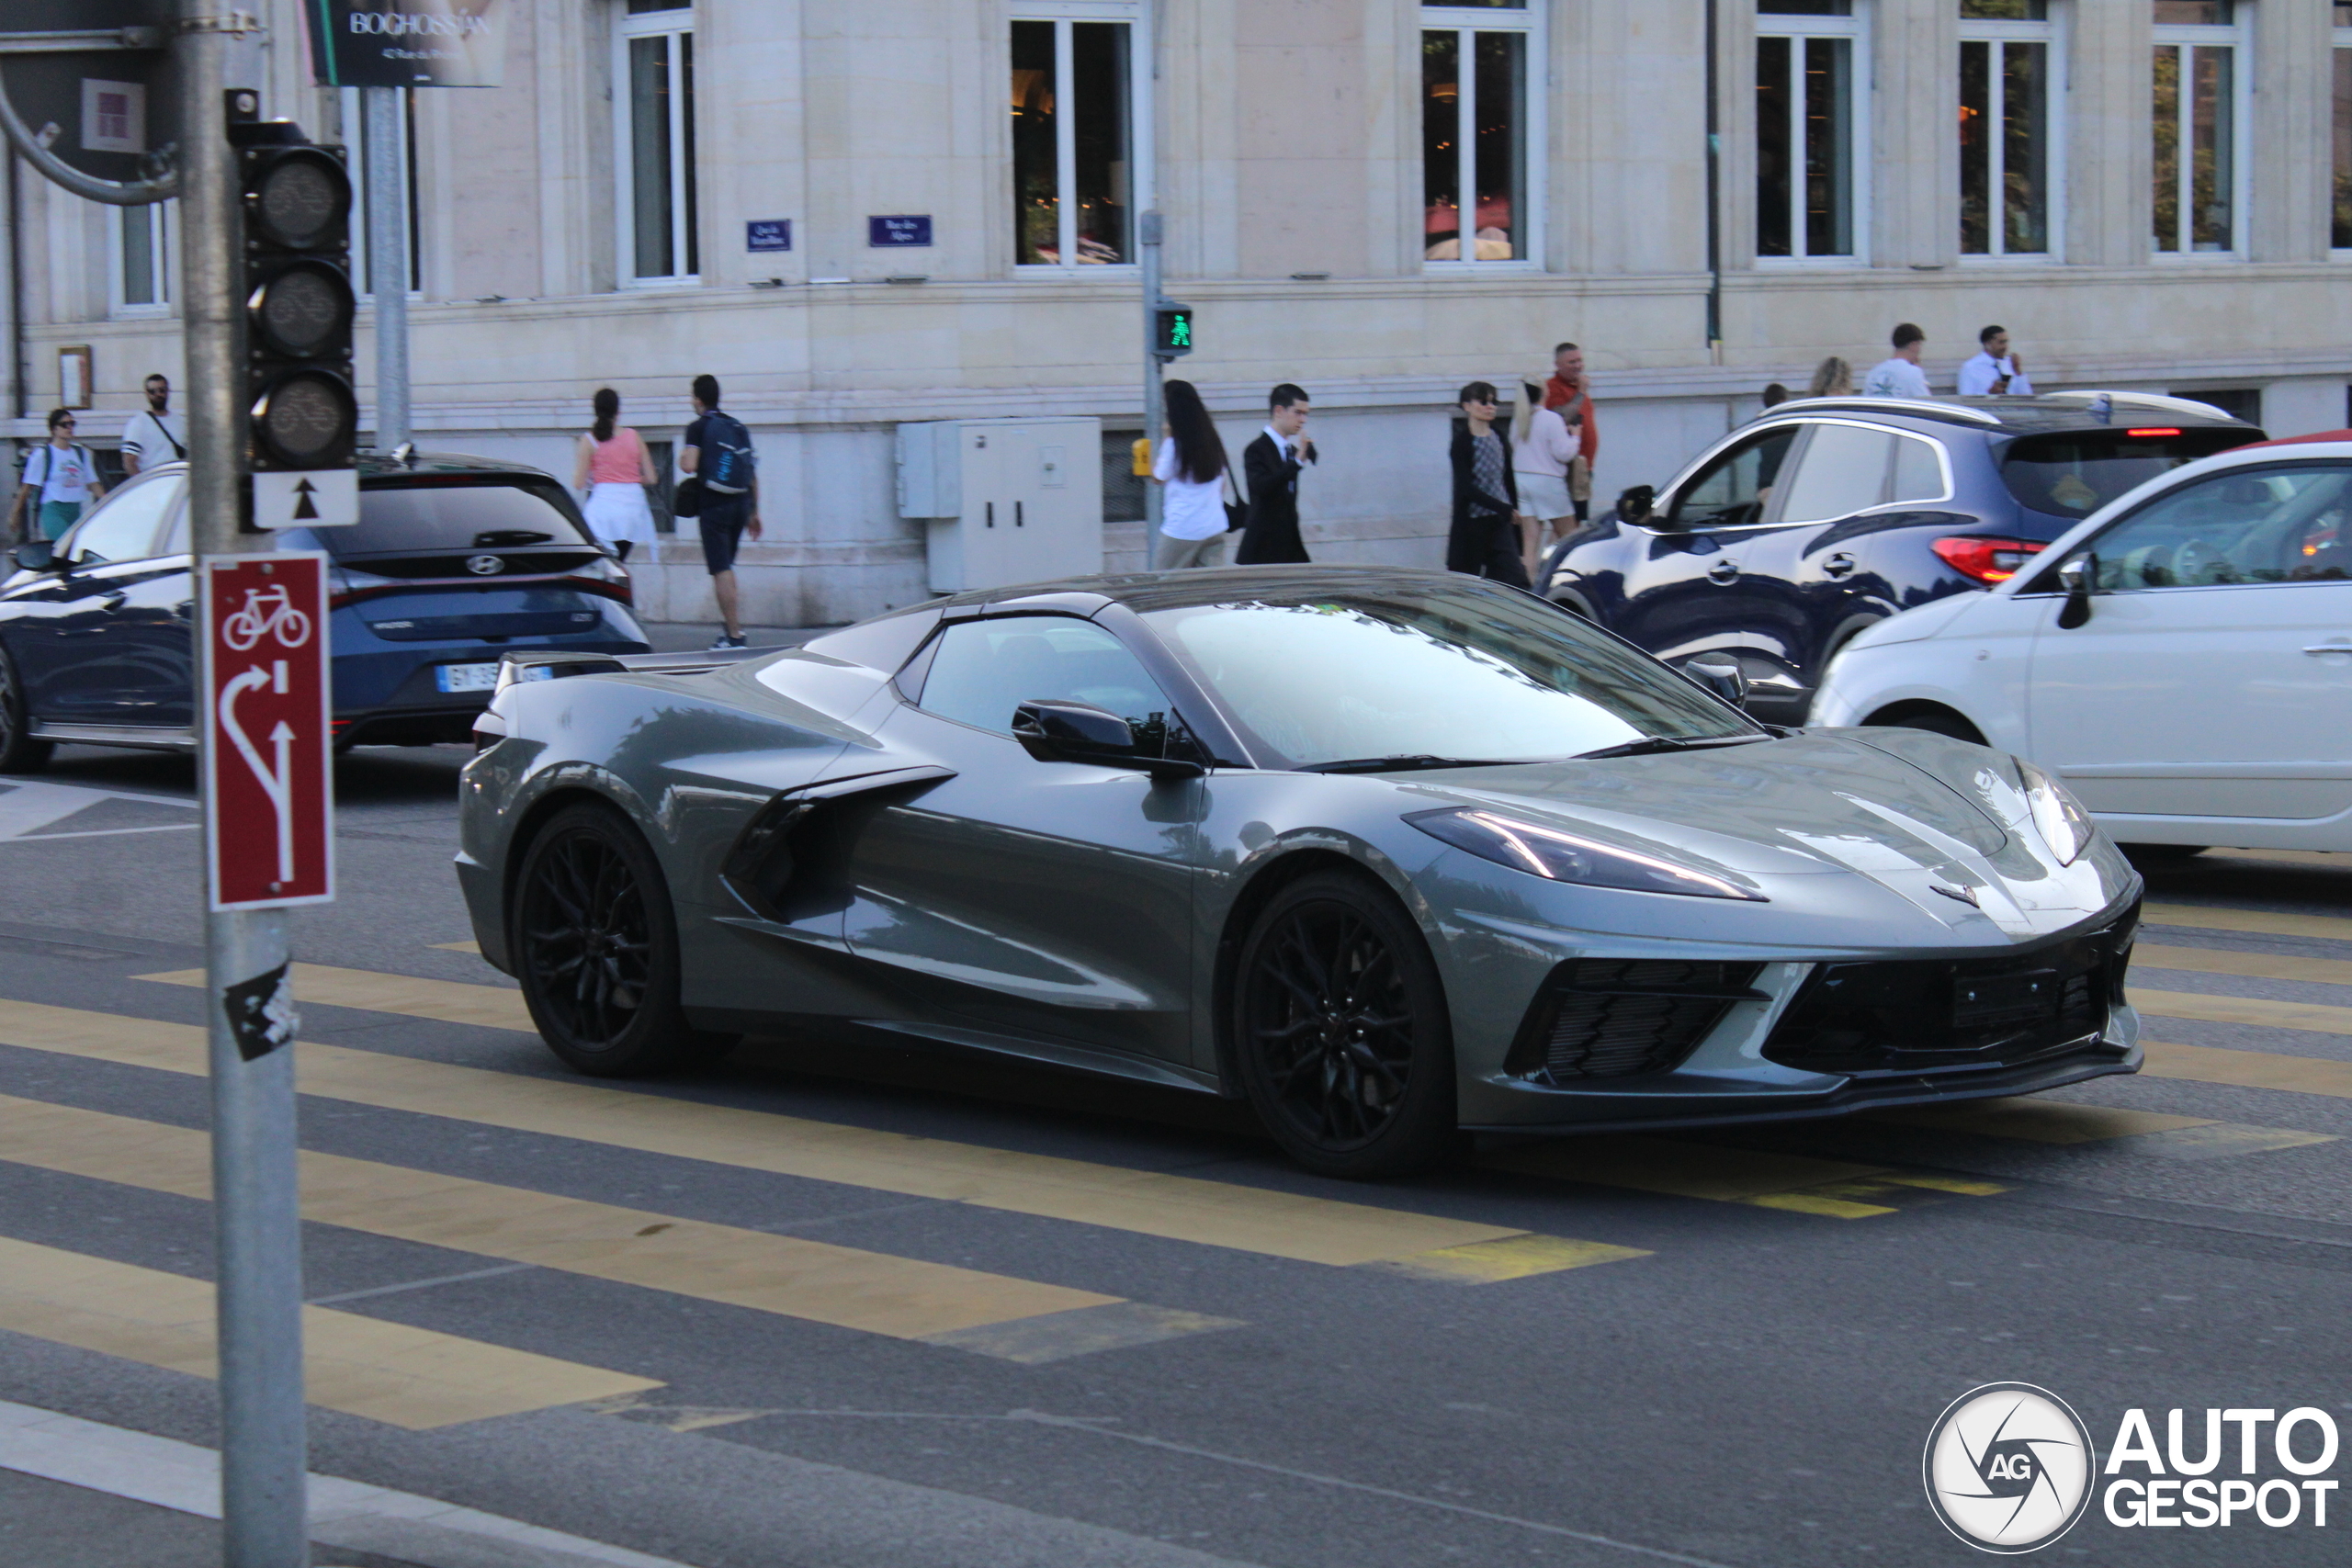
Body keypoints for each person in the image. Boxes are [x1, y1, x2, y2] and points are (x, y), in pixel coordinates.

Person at [681, 374, 762, 649]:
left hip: (714, 505)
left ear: (698, 399)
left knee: (721, 570)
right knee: (727, 568)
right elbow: (751, 472)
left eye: (692, 397)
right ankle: (729, 631)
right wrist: (754, 512)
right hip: (740, 504)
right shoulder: (736, 426)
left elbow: (689, 465)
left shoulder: (697, 427)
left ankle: (735, 636)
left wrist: (683, 457)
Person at [1148, 379, 1234, 570]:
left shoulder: (1174, 444)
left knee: (1164, 586)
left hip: (1182, 528)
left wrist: (1165, 437)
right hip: (1214, 525)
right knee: (1207, 590)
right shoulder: (1212, 439)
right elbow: (1222, 484)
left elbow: (1158, 477)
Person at [1448, 381, 1526, 587]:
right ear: (1467, 406)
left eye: (1493, 402)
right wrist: (1503, 507)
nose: (1490, 407)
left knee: (1514, 578)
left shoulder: (1499, 437)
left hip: (1500, 522)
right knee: (1468, 583)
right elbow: (1466, 488)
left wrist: (1513, 512)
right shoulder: (1462, 442)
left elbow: (1508, 479)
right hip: (1473, 523)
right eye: (1483, 402)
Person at [572, 388, 661, 562]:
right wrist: (632, 479)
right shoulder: (634, 436)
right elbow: (651, 478)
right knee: (619, 561)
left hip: (603, 510)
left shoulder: (589, 440)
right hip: (633, 510)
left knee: (599, 562)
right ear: (618, 410)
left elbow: (578, 483)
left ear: (595, 410)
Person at [1235, 384, 1316, 565]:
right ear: (1279, 411)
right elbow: (1260, 487)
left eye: (1306, 414)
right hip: (1262, 546)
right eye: (1298, 412)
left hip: (1289, 544)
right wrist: (1295, 464)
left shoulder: (1292, 451)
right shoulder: (1256, 449)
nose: (1303, 420)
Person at [1510, 374, 1579, 579]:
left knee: (1530, 540)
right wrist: (1575, 436)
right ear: (1543, 392)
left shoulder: (1519, 421)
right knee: (1570, 535)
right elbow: (1564, 453)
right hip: (1548, 481)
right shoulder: (1551, 418)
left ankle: (1530, 585)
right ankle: (1564, 577)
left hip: (1520, 480)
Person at [9, 410, 104, 543]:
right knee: (65, 546)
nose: (69, 428)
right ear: (54, 429)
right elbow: (26, 488)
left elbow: (93, 483)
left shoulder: (81, 453)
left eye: (72, 423)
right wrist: (15, 514)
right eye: (64, 424)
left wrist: (108, 501)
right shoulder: (42, 455)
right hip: (54, 509)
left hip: (76, 509)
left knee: (77, 550)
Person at [1541, 343, 1599, 522]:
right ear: (1557, 364)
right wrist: (1581, 392)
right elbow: (1561, 417)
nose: (1578, 366)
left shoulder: (1577, 387)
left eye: (1579, 361)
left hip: (1583, 466)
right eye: (1571, 362)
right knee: (1570, 521)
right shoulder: (1552, 387)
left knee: (1579, 519)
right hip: (1568, 466)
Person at [119, 375, 186, 476]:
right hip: (154, 482)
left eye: (162, 390)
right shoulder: (138, 423)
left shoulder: (181, 422)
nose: (158, 394)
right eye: (152, 391)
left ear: (168, 391)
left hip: (176, 482)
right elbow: (129, 462)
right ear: (146, 394)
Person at [1957, 324, 2034, 397]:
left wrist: (2017, 371)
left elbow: (2026, 396)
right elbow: (1965, 399)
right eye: (2001, 343)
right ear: (1987, 344)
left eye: (2006, 342)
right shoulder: (1970, 367)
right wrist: (1989, 393)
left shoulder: (2009, 364)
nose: (2005, 347)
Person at [1862, 324, 1931, 399]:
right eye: (1919, 345)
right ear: (1913, 345)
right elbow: (1925, 401)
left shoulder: (1874, 372)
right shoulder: (1913, 372)